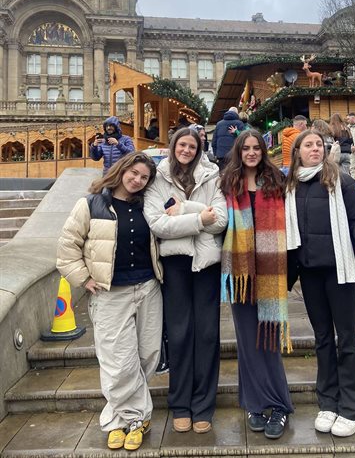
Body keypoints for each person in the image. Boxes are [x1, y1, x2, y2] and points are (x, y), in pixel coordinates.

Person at [56, 152, 163, 452]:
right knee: (118, 361)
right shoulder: (91, 204)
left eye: (144, 178)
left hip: (147, 288)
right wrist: (84, 279)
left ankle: (117, 414)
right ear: (122, 169)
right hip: (109, 293)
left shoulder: (147, 206)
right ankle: (133, 419)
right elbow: (67, 248)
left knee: (147, 355)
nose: (137, 180)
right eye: (134, 173)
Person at [285, 130, 355, 437]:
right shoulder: (290, 186)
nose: (315, 148)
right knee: (323, 339)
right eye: (308, 145)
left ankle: (352, 408)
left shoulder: (341, 180)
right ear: (297, 151)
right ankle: (328, 402)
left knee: (348, 339)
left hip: (341, 273)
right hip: (310, 273)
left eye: (319, 144)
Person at [144, 128, 227, 434]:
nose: (187, 150)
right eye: (182, 144)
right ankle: (180, 403)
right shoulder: (158, 177)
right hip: (175, 264)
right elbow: (158, 224)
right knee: (178, 334)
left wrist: (185, 211)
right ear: (173, 146)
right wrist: (199, 219)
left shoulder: (212, 175)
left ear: (199, 149)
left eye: (193, 146)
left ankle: (203, 405)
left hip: (206, 265)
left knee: (206, 335)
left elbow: (220, 220)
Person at [220, 130, 293, 440]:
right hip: (240, 274)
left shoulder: (277, 182)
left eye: (256, 148)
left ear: (264, 150)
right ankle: (254, 404)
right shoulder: (227, 183)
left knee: (269, 342)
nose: (251, 153)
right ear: (239, 152)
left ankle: (278, 405)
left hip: (269, 272)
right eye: (246, 148)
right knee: (249, 342)